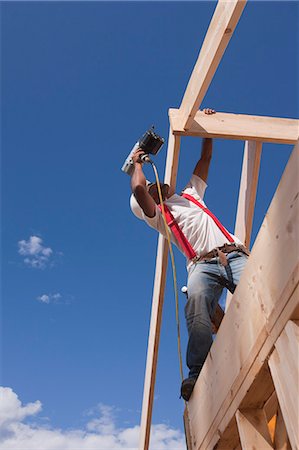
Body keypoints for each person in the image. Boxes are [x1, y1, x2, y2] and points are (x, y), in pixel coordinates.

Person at [129, 109, 249, 401]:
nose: (158, 185)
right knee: (196, 305)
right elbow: (138, 188)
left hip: (233, 254)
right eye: (153, 188)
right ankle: (197, 373)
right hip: (201, 266)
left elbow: (205, 159)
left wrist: (207, 129)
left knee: (259, 291)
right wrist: (137, 162)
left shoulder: (190, 194)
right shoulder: (159, 216)